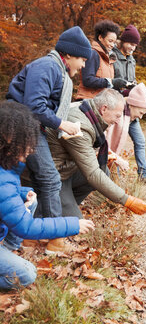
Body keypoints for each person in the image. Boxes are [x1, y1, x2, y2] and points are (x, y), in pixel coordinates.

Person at [6, 26, 92, 254]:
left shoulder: (57, 70)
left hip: (29, 127)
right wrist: (62, 124)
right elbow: (34, 106)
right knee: (51, 179)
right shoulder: (47, 66)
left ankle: (30, 238)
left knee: (38, 180)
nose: (83, 65)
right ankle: (55, 240)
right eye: (82, 59)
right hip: (22, 128)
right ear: (70, 54)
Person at [0, 101, 95, 290]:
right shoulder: (2, 179)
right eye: (27, 143)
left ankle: (6, 251)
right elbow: (27, 227)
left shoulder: (6, 167)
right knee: (27, 274)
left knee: (31, 201)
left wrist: (20, 193)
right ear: (9, 140)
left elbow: (6, 196)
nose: (31, 150)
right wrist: (72, 224)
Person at [46, 88, 146, 218]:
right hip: (54, 176)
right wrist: (127, 200)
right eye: (117, 116)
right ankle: (55, 211)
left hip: (66, 168)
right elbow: (92, 173)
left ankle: (64, 207)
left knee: (104, 172)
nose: (118, 121)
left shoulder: (87, 111)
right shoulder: (80, 125)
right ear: (104, 109)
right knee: (75, 223)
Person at [107, 24, 146, 186]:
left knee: (140, 141)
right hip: (116, 107)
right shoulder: (112, 56)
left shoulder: (132, 60)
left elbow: (134, 82)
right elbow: (109, 81)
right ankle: (114, 178)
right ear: (123, 41)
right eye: (130, 44)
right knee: (114, 143)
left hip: (131, 107)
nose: (132, 48)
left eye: (135, 45)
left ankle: (143, 175)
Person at [76, 19, 125, 100]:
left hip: (100, 102)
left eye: (114, 42)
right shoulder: (93, 54)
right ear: (100, 37)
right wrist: (111, 82)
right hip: (88, 101)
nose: (112, 45)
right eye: (110, 41)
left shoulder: (109, 58)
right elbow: (87, 80)